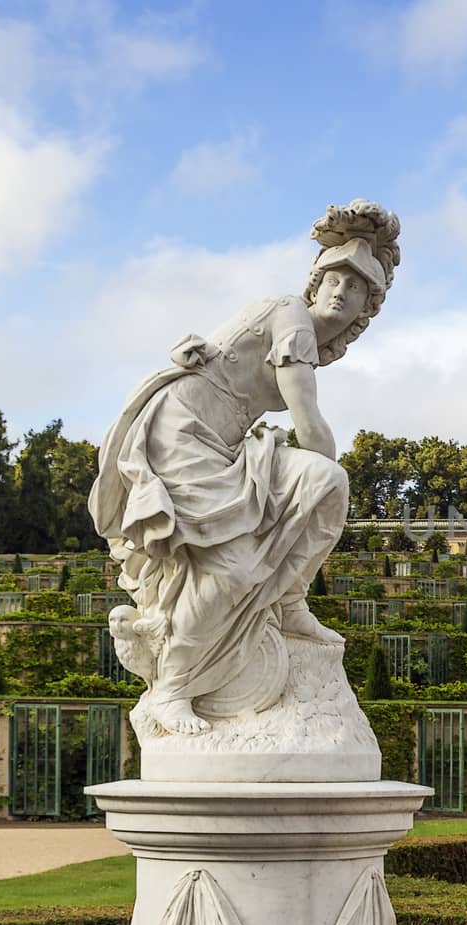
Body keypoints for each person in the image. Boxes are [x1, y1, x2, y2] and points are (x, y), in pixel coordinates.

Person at [90, 200, 400, 735]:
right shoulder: (291, 317)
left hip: (228, 446)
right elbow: (308, 420)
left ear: (364, 312)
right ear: (315, 283)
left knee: (327, 484)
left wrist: (313, 498)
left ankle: (288, 597)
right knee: (233, 566)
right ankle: (172, 690)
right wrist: (299, 503)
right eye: (334, 279)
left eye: (356, 290)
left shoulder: (310, 342)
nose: (341, 292)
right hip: (180, 432)